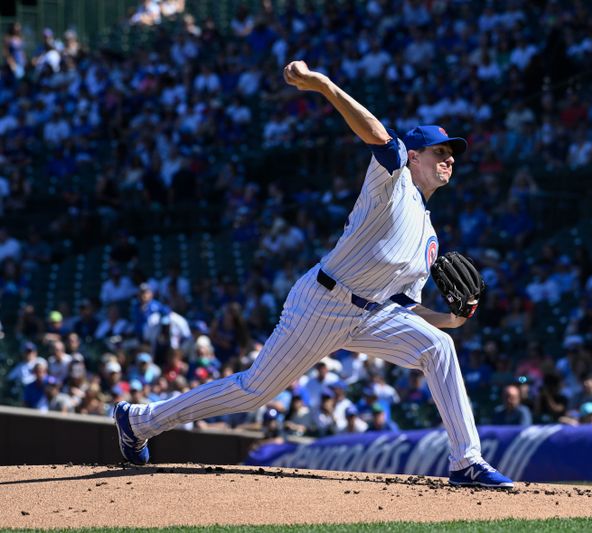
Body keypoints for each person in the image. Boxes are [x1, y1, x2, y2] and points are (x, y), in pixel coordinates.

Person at [113, 60, 513, 488]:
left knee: (439, 346)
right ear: (414, 156)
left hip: (373, 315)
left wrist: (447, 319)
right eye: (440, 152)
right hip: (324, 303)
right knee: (255, 391)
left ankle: (466, 461)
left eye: (452, 156)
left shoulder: (430, 237)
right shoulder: (392, 182)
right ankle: (139, 421)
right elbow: (378, 135)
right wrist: (323, 86)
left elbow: (404, 305)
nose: (449, 160)